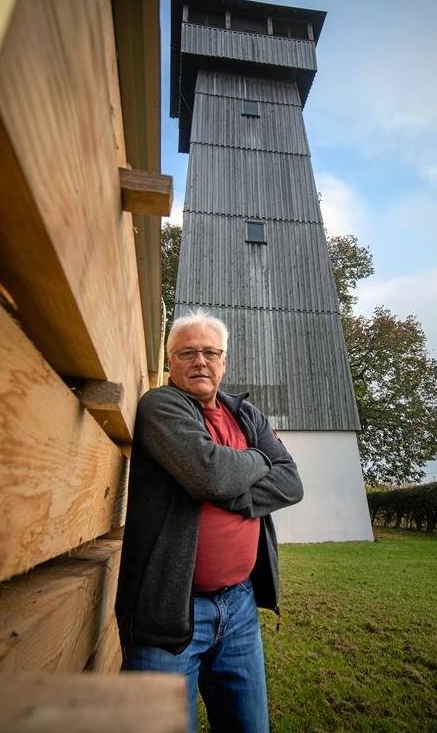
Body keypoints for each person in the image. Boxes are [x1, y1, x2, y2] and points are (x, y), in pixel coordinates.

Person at [115, 310, 303, 733]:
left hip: (238, 607)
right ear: (170, 362)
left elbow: (290, 482)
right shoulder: (161, 406)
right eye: (187, 353)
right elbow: (208, 474)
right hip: (169, 612)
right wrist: (258, 459)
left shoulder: (246, 415)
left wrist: (226, 488)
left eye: (210, 352)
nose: (200, 361)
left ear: (224, 361)